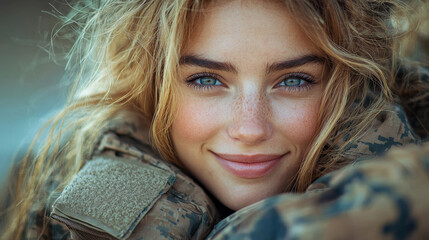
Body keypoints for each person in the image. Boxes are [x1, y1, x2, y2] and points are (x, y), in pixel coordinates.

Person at [2, 0, 429, 239]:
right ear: (151, 82)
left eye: (295, 80)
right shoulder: (42, 186)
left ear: (347, 82)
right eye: (207, 79)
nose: (249, 128)